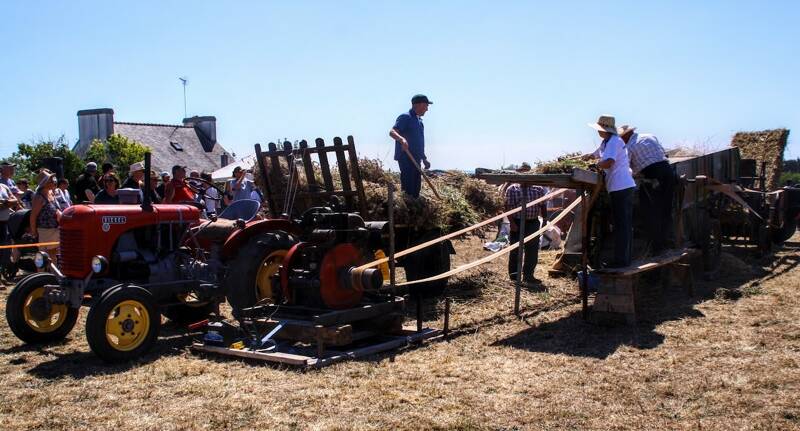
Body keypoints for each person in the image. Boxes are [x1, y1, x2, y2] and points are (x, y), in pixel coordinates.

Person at [584, 115, 637, 268]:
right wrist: (582, 158)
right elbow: (594, 155)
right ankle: (623, 259)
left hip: (622, 187)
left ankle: (622, 261)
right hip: (618, 187)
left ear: (604, 130)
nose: (598, 132)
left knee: (622, 225)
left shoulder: (614, 141)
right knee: (622, 224)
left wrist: (595, 165)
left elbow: (608, 162)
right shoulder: (606, 142)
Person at [618, 125, 674, 254]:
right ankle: (668, 241)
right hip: (667, 171)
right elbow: (662, 153)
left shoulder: (629, 147)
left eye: (622, 138)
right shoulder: (650, 136)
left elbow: (628, 168)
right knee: (666, 208)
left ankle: (656, 247)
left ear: (626, 135)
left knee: (651, 211)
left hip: (653, 177)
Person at [504, 163, 547, 284]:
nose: (524, 174)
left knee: (532, 250)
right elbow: (507, 207)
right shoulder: (512, 189)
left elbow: (543, 206)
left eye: (527, 171)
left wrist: (544, 220)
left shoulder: (538, 189)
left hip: (533, 223)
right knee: (515, 250)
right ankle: (514, 277)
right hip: (517, 222)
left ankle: (528, 276)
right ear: (519, 173)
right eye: (522, 171)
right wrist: (512, 223)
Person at [389, 94, 433, 198]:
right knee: (408, 187)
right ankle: (407, 207)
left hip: (416, 158)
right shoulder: (406, 117)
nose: (427, 109)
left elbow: (419, 142)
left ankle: (414, 207)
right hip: (406, 156)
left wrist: (424, 158)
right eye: (426, 105)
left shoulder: (419, 121)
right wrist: (401, 139)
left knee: (416, 188)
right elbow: (392, 132)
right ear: (419, 105)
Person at [30, 169, 62, 264]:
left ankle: (53, 276)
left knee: (53, 255)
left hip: (55, 229)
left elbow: (55, 208)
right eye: (50, 180)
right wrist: (34, 232)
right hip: (45, 231)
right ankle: (42, 276)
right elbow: (33, 216)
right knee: (44, 256)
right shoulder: (39, 197)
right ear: (45, 183)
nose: (53, 181)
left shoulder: (51, 193)